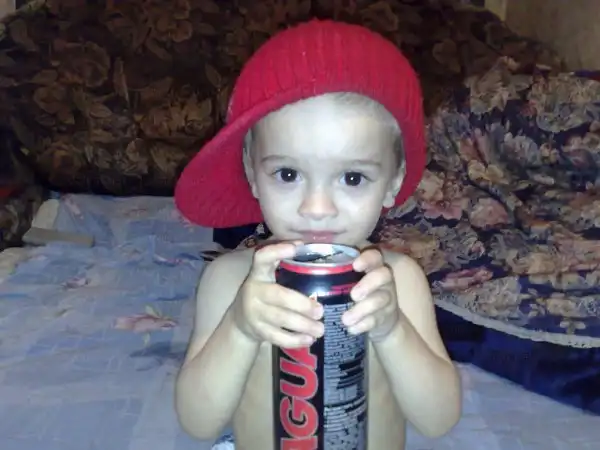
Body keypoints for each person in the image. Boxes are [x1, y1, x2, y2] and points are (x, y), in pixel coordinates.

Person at [173, 19, 461, 450]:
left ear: (393, 182)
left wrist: (392, 331)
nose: (317, 208)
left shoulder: (398, 281)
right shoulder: (230, 280)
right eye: (288, 174)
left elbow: (439, 421)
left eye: (352, 177)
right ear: (252, 173)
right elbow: (197, 423)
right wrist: (240, 328)